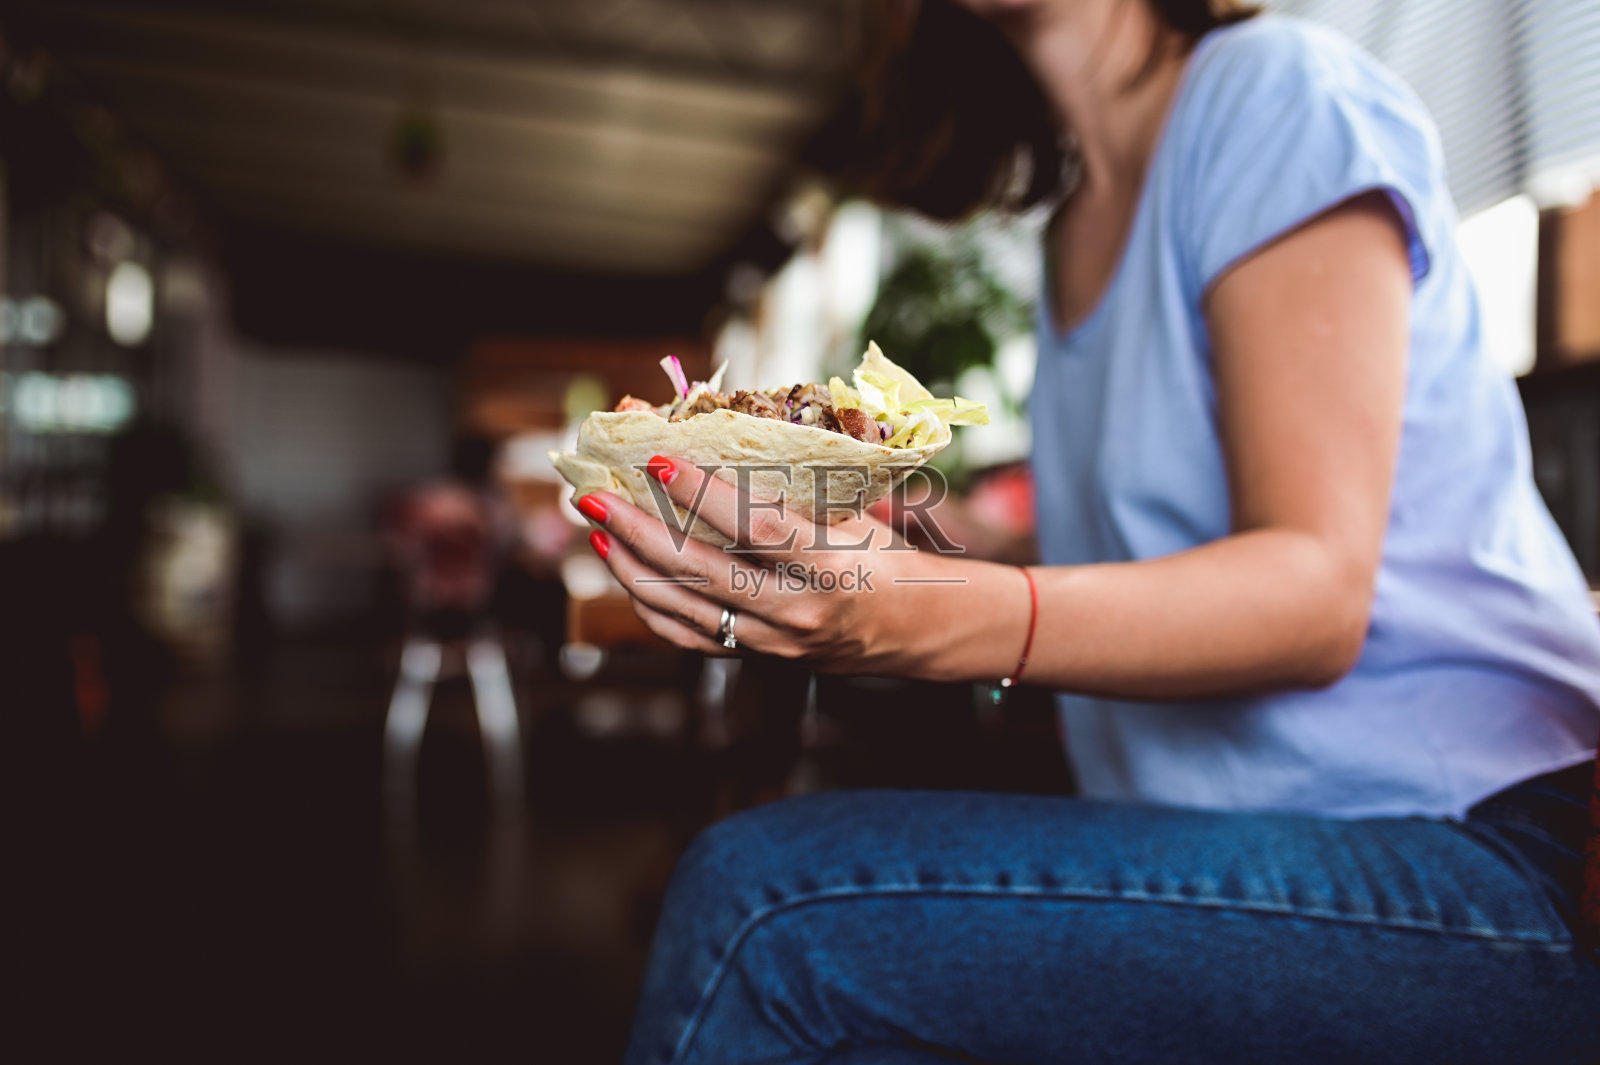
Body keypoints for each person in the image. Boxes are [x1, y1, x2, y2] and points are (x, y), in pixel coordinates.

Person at [574, 1, 1600, 1061]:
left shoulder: (1274, 90)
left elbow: (1314, 598)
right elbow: (1123, 572)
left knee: (759, 911)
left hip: (1490, 846)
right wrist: (905, 535)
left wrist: (923, 618)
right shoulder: (1074, 229)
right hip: (1267, 849)